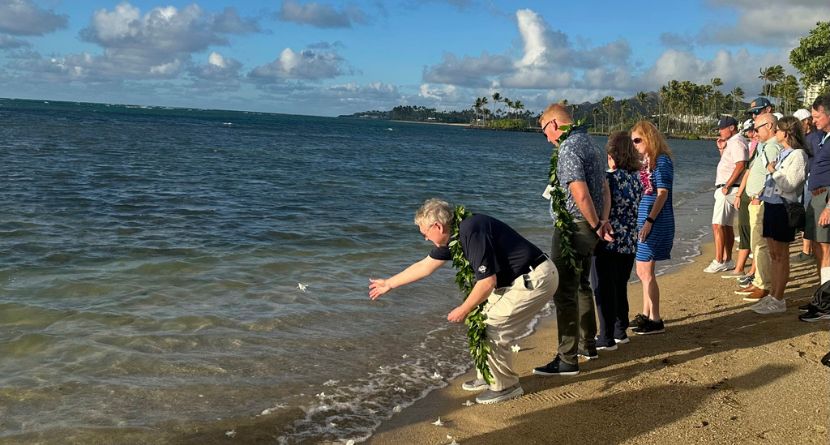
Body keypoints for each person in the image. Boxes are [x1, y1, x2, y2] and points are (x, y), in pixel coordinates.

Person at [368, 198, 558, 404]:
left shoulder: (472, 230)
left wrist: (463, 308)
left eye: (425, 233)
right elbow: (425, 266)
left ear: (437, 226)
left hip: (534, 278)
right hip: (515, 280)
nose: (425, 239)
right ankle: (489, 376)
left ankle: (506, 387)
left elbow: (487, 282)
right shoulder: (455, 234)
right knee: (479, 321)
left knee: (491, 325)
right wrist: (389, 283)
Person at [533, 103, 611, 377]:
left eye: (544, 132)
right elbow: (603, 187)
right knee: (581, 285)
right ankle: (588, 344)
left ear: (554, 124)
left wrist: (594, 224)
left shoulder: (568, 148)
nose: (546, 139)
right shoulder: (589, 143)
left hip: (573, 228)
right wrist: (603, 221)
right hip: (588, 225)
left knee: (563, 291)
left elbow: (579, 192)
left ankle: (567, 359)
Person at [751, 116, 808, 314]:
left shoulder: (798, 155)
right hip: (772, 204)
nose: (775, 133)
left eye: (778, 130)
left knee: (781, 255)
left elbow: (790, 184)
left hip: (784, 208)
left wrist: (773, 171)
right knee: (774, 254)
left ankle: (778, 298)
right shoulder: (785, 153)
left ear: (786, 133)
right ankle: (773, 295)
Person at [593, 131, 643, 349]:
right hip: (629, 240)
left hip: (609, 238)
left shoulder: (610, 179)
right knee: (620, 285)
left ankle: (605, 336)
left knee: (603, 287)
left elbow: (600, 205)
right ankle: (620, 330)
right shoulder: (636, 180)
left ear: (612, 156)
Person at [629, 120, 674, 334]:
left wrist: (649, 220)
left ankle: (655, 319)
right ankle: (646, 314)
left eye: (637, 140)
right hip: (645, 220)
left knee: (646, 270)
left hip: (655, 221)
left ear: (649, 138)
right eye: (632, 142)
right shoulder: (646, 162)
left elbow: (662, 193)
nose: (634, 145)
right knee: (642, 270)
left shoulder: (661, 161)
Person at [734, 113, 781, 302]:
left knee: (760, 245)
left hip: (760, 201)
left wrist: (760, 196)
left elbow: (773, 175)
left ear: (769, 126)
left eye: (758, 128)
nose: (755, 132)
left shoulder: (772, 147)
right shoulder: (765, 146)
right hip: (756, 200)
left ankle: (763, 284)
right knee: (757, 244)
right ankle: (759, 281)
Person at [704, 117, 748, 273]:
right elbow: (731, 163)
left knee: (718, 225)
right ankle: (727, 259)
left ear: (731, 128)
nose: (719, 132)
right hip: (729, 188)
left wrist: (727, 185)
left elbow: (741, 164)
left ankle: (719, 260)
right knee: (727, 226)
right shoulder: (733, 142)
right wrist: (722, 150)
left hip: (729, 188)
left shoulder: (736, 141)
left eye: (721, 129)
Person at [801, 94, 830, 319]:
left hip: (827, 198)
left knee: (826, 249)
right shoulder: (822, 136)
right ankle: (822, 296)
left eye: (817, 115)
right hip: (817, 197)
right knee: (819, 248)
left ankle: (826, 305)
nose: (814, 120)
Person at [730, 119, 759, 283]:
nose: (752, 133)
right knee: (745, 230)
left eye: (754, 130)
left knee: (756, 235)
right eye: (751, 131)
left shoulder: (767, 147)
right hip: (747, 192)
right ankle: (743, 269)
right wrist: (739, 194)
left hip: (757, 196)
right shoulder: (755, 147)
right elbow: (748, 171)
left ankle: (752, 272)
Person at [792, 108, 817, 264]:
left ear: (806, 121)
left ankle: (807, 251)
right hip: (807, 180)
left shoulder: (813, 138)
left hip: (811, 180)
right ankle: (807, 249)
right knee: (805, 214)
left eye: (798, 123)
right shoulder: (806, 138)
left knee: (808, 215)